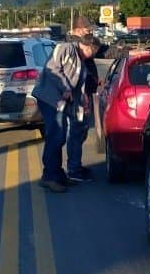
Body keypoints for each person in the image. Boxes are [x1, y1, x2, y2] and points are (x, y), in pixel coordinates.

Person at [31, 17, 102, 192]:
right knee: (56, 135)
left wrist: (83, 99)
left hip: (62, 102)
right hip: (49, 98)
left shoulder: (82, 62)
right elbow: (53, 68)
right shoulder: (66, 48)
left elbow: (78, 85)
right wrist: (65, 87)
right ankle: (49, 176)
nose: (92, 55)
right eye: (92, 51)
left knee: (60, 136)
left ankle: (58, 173)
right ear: (86, 46)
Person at [66, 16, 102, 183]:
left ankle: (76, 166)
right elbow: (73, 77)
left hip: (83, 96)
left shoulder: (83, 45)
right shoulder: (74, 48)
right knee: (76, 132)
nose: (90, 31)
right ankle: (73, 169)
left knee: (80, 132)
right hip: (78, 98)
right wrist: (82, 96)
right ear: (78, 30)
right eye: (88, 29)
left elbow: (105, 50)